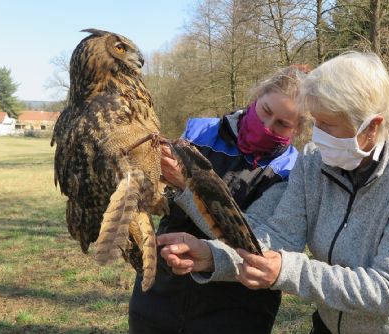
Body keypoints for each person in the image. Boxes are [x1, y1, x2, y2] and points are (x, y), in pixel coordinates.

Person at [158, 52, 389, 334]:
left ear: (372, 127)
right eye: (315, 123)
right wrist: (212, 255)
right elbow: (278, 237)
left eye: (328, 126)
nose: (315, 137)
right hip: (329, 325)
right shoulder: (313, 161)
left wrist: (289, 271)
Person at [128, 65, 309, 334]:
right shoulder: (200, 132)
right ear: (256, 97)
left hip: (237, 306)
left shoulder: (291, 171)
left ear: (297, 129)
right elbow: (161, 197)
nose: (267, 126)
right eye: (266, 112)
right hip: (163, 286)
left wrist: (185, 186)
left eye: (282, 124)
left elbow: (252, 238)